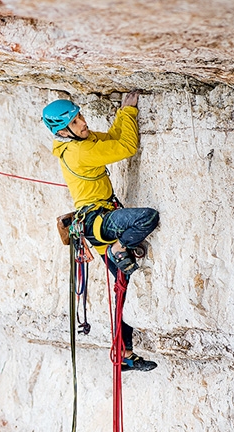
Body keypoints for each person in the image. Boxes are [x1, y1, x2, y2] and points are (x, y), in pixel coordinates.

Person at [43, 93, 159, 372]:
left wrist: (122, 114)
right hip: (99, 222)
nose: (83, 123)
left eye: (80, 116)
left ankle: (125, 353)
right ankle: (120, 247)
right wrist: (129, 113)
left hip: (96, 223)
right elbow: (127, 147)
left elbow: (111, 139)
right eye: (76, 121)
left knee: (124, 284)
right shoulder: (81, 151)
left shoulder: (80, 143)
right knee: (147, 217)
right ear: (63, 131)